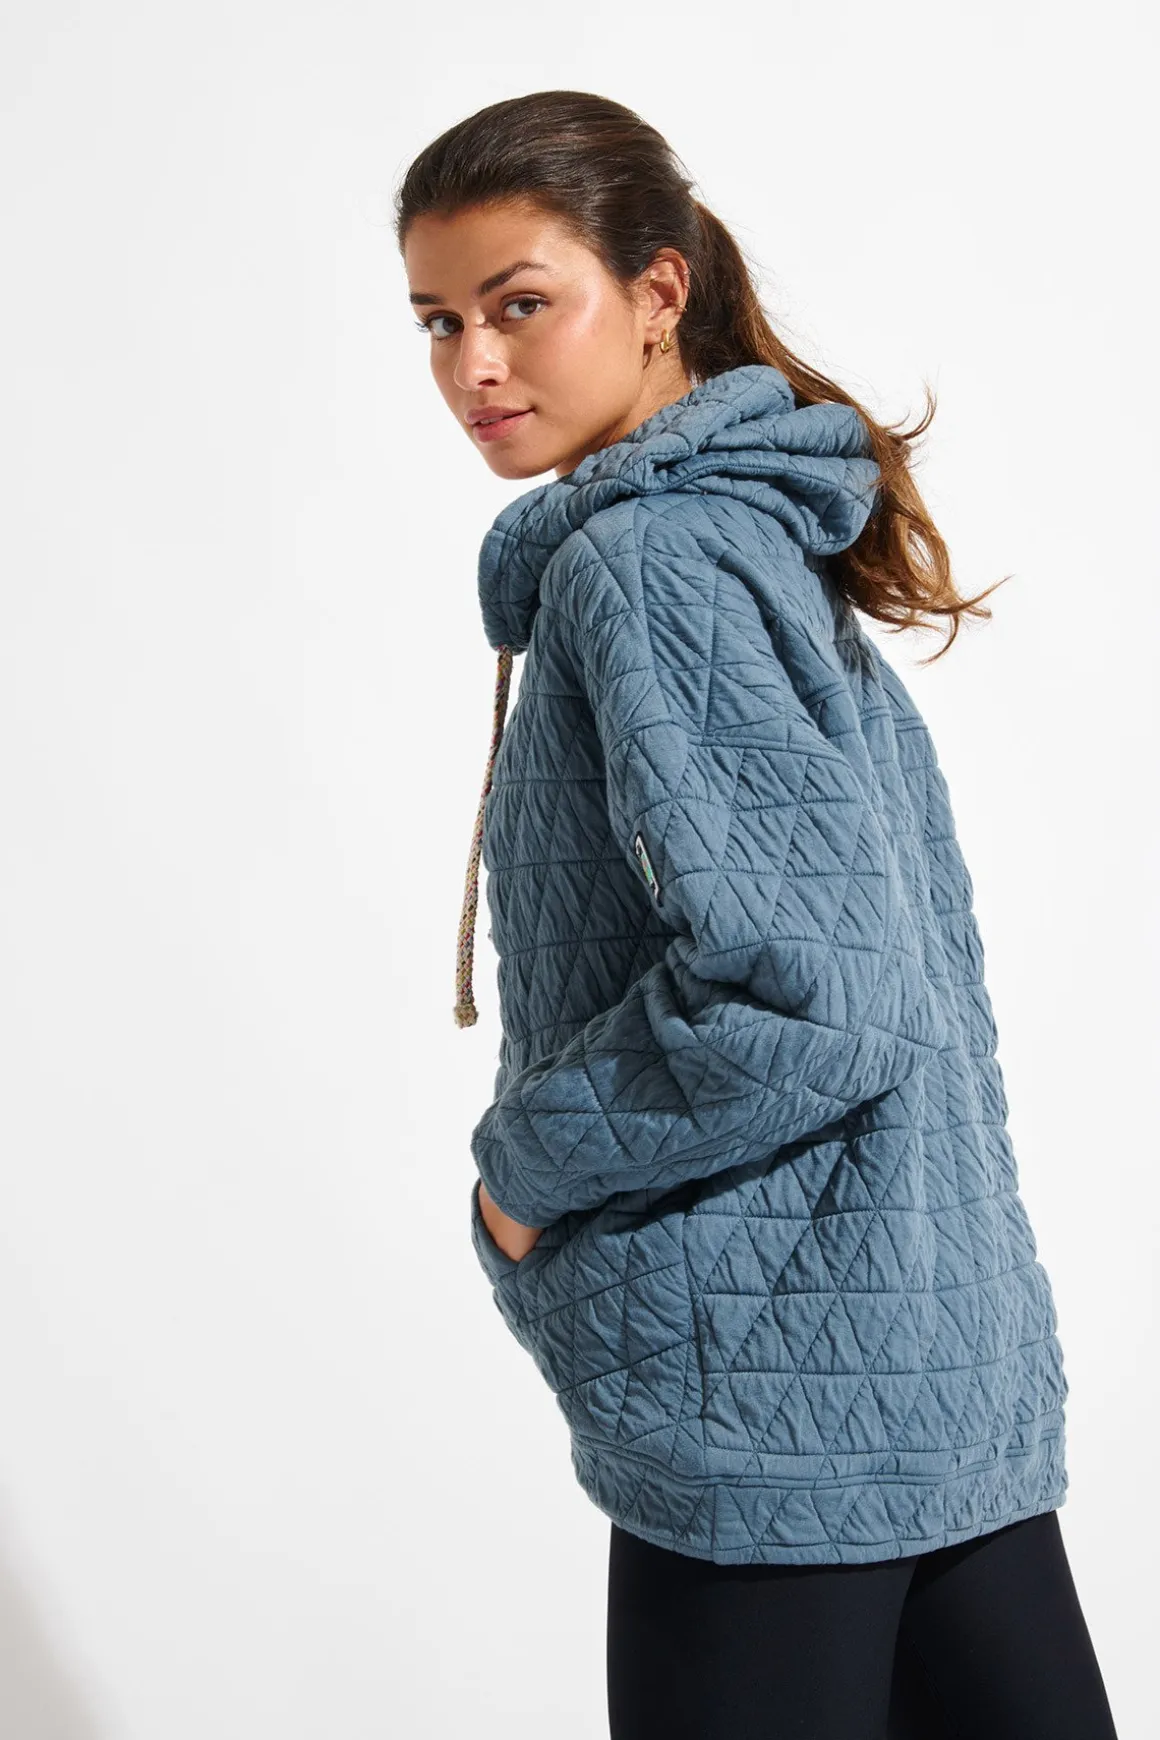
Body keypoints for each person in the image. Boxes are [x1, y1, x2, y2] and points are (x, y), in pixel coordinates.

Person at [396, 90, 1119, 1739]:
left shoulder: (647, 560)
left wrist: (524, 1173)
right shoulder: (743, 533)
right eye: (438, 321)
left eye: (520, 303)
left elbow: (810, 996)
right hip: (929, 1348)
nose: (474, 366)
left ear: (657, 291)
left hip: (772, 1377)